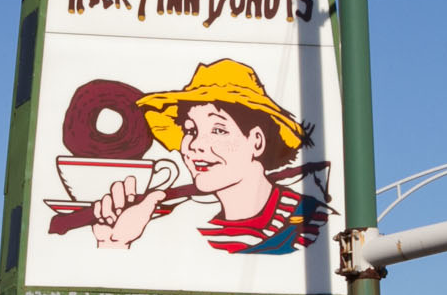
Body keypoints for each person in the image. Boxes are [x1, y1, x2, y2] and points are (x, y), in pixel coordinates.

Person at [90, 58, 327, 254]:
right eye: (191, 130)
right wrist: (114, 242)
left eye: (218, 130)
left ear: (256, 141)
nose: (196, 145)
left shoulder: (311, 225)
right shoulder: (189, 227)